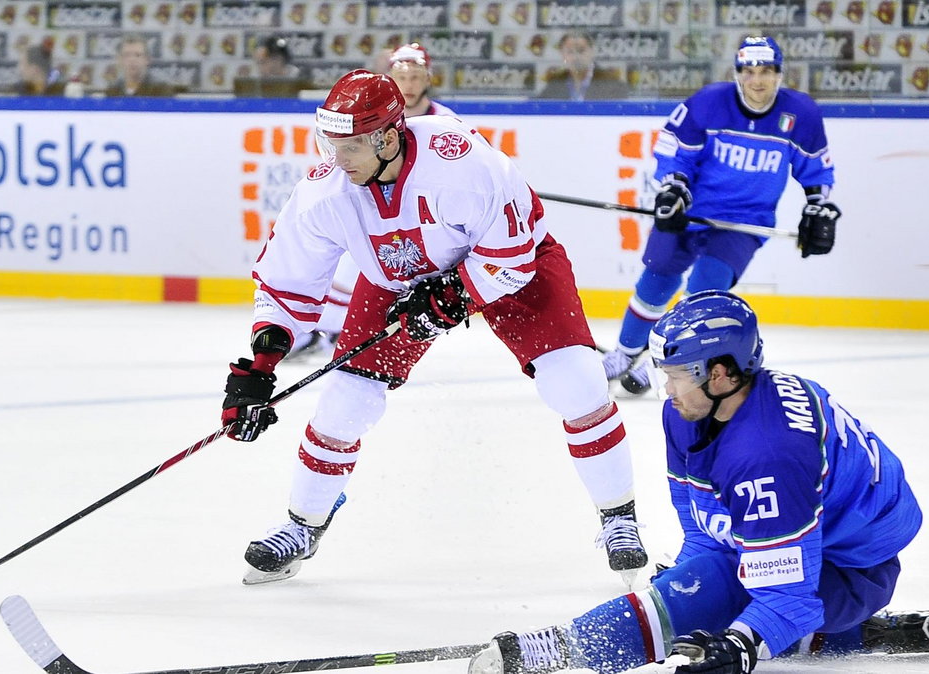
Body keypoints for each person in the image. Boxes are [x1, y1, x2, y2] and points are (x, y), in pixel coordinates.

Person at [221, 70, 647, 586]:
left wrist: (454, 298)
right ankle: (302, 524)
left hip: (516, 270)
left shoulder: (464, 164)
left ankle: (618, 517)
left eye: (351, 145)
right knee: (345, 401)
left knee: (575, 382)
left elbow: (510, 258)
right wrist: (260, 368)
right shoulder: (325, 193)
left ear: (386, 136)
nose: (338, 159)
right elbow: (286, 282)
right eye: (330, 144)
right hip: (399, 279)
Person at [468, 290, 929, 674]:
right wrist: (685, 589)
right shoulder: (692, 412)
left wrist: (739, 646)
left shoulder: (767, 456)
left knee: (712, 593)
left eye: (677, 375)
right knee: (700, 588)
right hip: (813, 533)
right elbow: (700, 527)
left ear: (721, 374)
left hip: (852, 568)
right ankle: (854, 635)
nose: (665, 389)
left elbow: (790, 598)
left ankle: (556, 648)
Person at [601, 36, 839, 397]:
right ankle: (624, 353)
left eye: (767, 71)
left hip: (744, 221)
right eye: (749, 71)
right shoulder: (709, 102)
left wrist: (817, 206)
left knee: (702, 291)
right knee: (656, 282)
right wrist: (674, 188)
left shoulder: (800, 114)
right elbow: (674, 152)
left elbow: (815, 171)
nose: (758, 80)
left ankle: (658, 363)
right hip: (692, 210)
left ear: (780, 74)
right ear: (737, 73)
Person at [286, 44, 457, 362]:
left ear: (428, 79)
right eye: (401, 76)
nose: (409, 85)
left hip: (419, 213)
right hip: (374, 201)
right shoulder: (372, 113)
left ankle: (330, 332)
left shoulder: (445, 121)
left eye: (416, 77)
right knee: (345, 265)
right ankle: (323, 330)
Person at [536, 32, 627, 101]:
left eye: (581, 51)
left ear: (592, 51)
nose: (576, 57)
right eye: (570, 52)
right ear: (562, 54)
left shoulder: (612, 84)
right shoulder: (554, 85)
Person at [104, 34, 174, 97]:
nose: (132, 60)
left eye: (138, 55)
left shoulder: (160, 89)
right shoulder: (113, 91)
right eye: (127, 55)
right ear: (119, 60)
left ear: (147, 59)